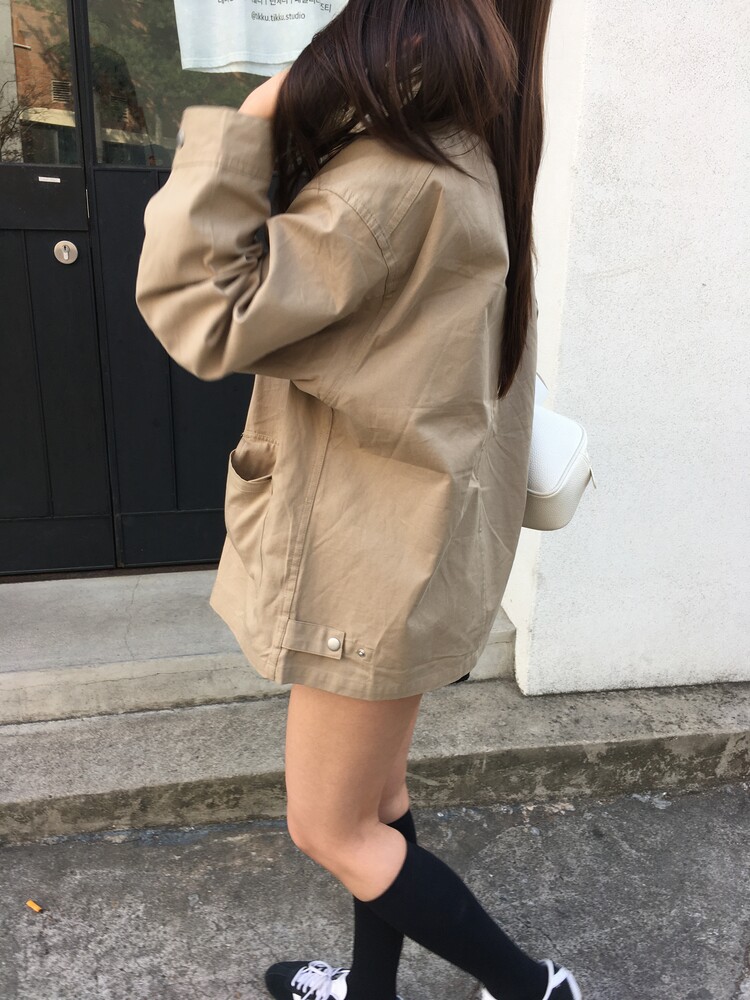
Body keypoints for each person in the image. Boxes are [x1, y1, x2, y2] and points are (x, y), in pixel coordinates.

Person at [135, 1, 583, 998]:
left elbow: (202, 306)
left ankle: (531, 988)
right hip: (409, 545)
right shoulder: (474, 151)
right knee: (375, 801)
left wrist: (258, 112)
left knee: (328, 826)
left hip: (368, 561)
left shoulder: (395, 172)